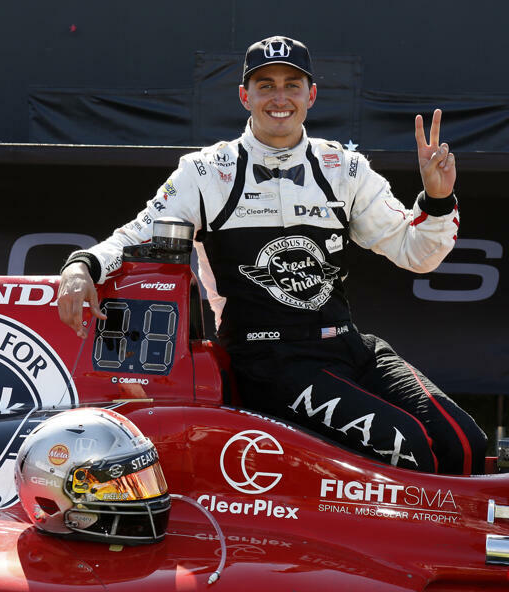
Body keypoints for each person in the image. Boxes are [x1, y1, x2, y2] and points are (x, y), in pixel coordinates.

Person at [57, 35, 487, 475]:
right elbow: (135, 235)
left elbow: (416, 253)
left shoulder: (345, 168)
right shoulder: (206, 171)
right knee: (411, 447)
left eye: (291, 85)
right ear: (245, 96)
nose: (279, 98)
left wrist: (436, 199)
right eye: (265, 85)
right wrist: (81, 265)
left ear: (311, 95)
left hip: (350, 345)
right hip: (269, 360)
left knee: (464, 444)